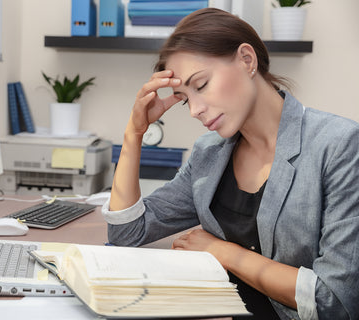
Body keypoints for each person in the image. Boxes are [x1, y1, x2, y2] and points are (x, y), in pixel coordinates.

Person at [101, 8, 359, 320]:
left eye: (202, 84)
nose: (194, 109)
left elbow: (335, 302)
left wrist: (225, 254)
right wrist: (134, 132)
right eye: (184, 98)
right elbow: (126, 232)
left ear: (247, 60)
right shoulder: (209, 154)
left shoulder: (339, 145)